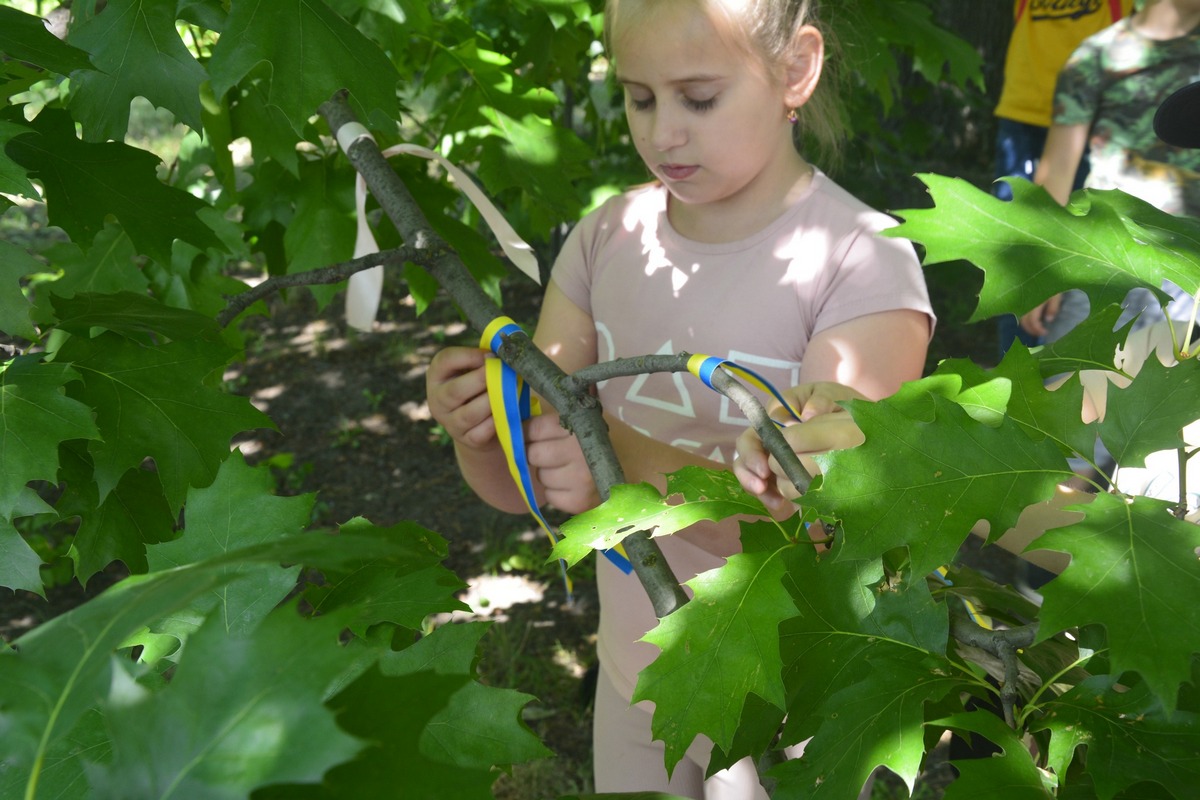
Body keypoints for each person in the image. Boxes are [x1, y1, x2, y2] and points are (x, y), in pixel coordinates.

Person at [424, 0, 934, 796]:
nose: (663, 133)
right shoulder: (606, 241)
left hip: (796, 706)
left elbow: (837, 526)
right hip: (638, 683)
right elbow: (530, 488)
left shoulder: (859, 263)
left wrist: (623, 465)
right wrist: (480, 427)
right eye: (638, 97)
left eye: (698, 98)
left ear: (796, 70)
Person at [1020, 0, 1200, 343]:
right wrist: (1040, 267)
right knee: (1073, 384)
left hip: (1192, 262)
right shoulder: (1096, 55)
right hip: (1105, 255)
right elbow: (1058, 165)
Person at [993, 0, 1134, 356]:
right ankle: (1017, 383)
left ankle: (1060, 376)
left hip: (1097, 117)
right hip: (1026, 111)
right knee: (1015, 255)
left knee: (1076, 257)